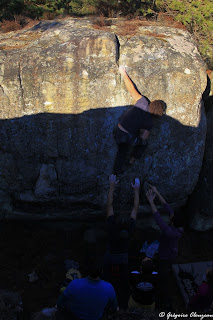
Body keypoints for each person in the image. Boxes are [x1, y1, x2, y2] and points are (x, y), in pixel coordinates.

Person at [113, 66, 166, 174]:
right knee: (142, 144)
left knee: (122, 149)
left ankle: (117, 170)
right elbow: (143, 137)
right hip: (125, 137)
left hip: (117, 130)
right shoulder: (149, 122)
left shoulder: (143, 102)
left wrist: (123, 73)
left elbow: (131, 89)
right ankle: (130, 161)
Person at [104, 174, 140, 310]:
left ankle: (107, 294)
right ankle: (122, 301)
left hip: (111, 254)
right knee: (124, 278)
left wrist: (112, 186)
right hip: (123, 256)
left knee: (107, 275)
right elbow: (135, 208)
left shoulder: (112, 225)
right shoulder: (130, 228)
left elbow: (109, 204)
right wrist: (137, 190)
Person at [146, 184, 184, 308]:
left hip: (166, 255)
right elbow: (166, 206)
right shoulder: (178, 225)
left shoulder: (170, 232)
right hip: (170, 250)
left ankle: (163, 298)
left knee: (163, 275)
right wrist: (156, 192)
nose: (171, 214)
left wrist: (151, 201)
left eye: (172, 216)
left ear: (173, 220)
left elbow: (158, 218)